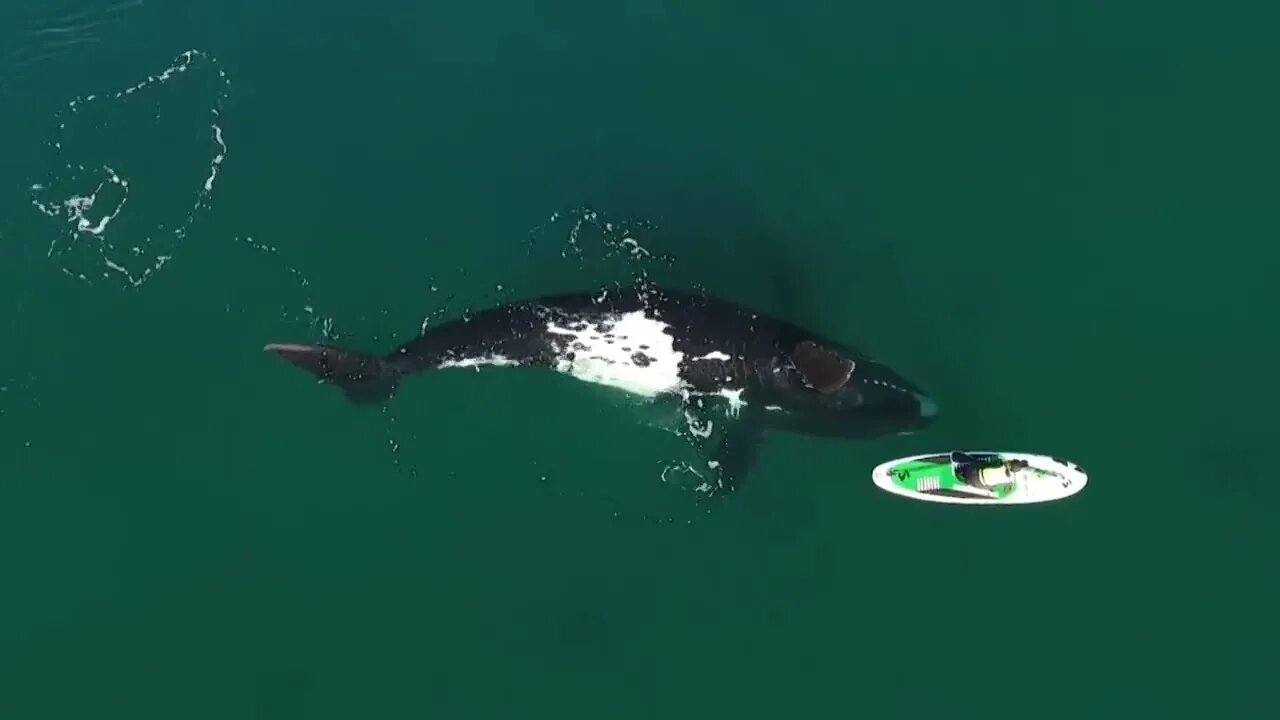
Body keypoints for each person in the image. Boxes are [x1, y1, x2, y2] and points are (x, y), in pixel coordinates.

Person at [950, 452, 1028, 489]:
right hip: (978, 484)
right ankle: (964, 480)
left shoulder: (1000, 463)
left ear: (1010, 463)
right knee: (991, 485)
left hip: (973, 472)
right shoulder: (1008, 480)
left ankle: (955, 460)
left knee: (976, 461)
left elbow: (988, 463)